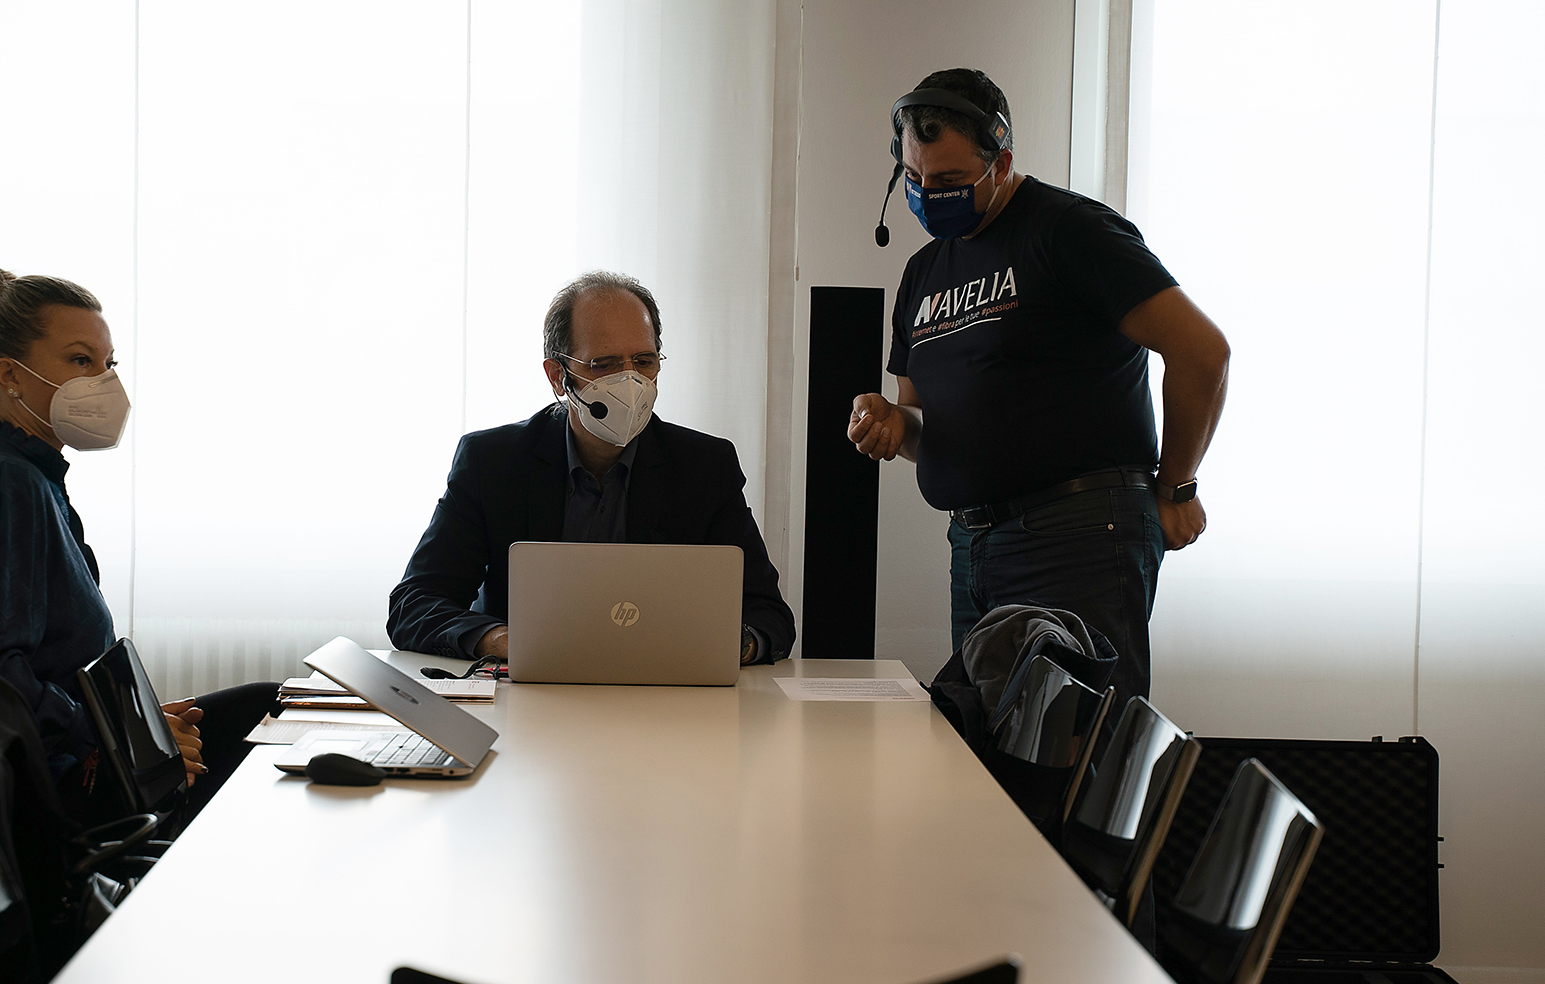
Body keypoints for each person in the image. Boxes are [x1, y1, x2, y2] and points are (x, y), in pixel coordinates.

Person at [848, 68, 1230, 710]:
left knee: (1071, 747)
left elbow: (1202, 351)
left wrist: (1176, 487)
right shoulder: (923, 273)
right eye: (913, 178)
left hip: (1077, 537)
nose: (929, 195)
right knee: (983, 749)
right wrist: (891, 421)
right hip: (973, 547)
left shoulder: (1070, 230)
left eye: (949, 180)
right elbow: (923, 425)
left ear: (1001, 162)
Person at [0, 267, 278, 824]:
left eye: (108, 363)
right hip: (48, 790)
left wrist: (136, 726)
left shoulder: (33, 480)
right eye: (80, 360)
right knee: (265, 742)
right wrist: (119, 736)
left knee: (269, 706)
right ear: (10, 376)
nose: (104, 381)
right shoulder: (3, 487)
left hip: (74, 754)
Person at [390, 270, 795, 665]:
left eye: (644, 361)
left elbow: (769, 615)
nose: (630, 381)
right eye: (605, 364)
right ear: (558, 376)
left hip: (665, 692)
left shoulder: (705, 466)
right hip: (530, 690)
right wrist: (502, 641)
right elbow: (414, 604)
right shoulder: (492, 462)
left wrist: (725, 646)